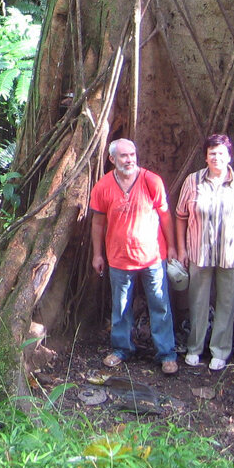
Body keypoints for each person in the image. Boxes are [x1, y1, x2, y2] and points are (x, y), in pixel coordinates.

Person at [174, 133, 234, 372]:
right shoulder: (192, 182)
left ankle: (220, 351)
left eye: (221, 153)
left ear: (229, 156)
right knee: (197, 303)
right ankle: (194, 348)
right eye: (212, 153)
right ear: (205, 157)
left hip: (231, 254)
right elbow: (181, 216)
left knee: (226, 303)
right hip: (199, 253)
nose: (216, 157)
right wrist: (181, 249)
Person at [90, 138, 179, 375]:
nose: (129, 159)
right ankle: (122, 349)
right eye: (123, 156)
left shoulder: (151, 181)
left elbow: (166, 216)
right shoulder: (103, 186)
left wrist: (172, 247)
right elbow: (98, 223)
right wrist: (97, 254)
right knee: (120, 307)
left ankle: (167, 353)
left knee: (160, 304)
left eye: (132, 154)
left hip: (152, 257)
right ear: (112, 159)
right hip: (118, 259)